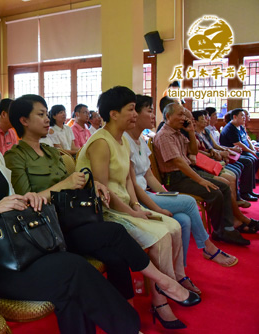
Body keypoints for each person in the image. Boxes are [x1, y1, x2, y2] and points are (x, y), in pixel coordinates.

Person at [0, 83, 142, 334]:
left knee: (70, 282)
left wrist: (24, 198)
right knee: (73, 271)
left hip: (14, 247)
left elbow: (8, 202)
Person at [4, 94, 200, 328]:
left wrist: (90, 182)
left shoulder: (53, 153)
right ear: (23, 121)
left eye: (47, 114)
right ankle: (164, 283)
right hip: (48, 230)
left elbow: (76, 184)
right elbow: (28, 202)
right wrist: (65, 185)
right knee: (115, 232)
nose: (48, 119)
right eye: (41, 114)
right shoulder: (14, 157)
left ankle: (128, 310)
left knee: (115, 256)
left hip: (73, 219)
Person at [75, 86, 200, 328]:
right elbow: (102, 189)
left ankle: (171, 282)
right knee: (162, 236)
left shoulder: (121, 140)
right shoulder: (101, 142)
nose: (135, 114)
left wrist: (135, 204)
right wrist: (132, 212)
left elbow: (128, 181)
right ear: (113, 113)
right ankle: (160, 298)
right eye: (131, 109)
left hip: (124, 205)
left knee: (174, 226)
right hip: (106, 210)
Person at [125, 95, 238, 267]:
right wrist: (158, 206)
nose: (154, 116)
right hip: (140, 196)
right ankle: (209, 246)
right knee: (191, 201)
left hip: (149, 191)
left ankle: (180, 271)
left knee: (184, 219)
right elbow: (133, 184)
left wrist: (167, 196)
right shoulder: (142, 139)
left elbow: (150, 176)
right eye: (149, 111)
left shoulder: (140, 140)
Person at [153, 103, 250, 246]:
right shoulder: (165, 136)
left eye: (185, 115)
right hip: (176, 178)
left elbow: (193, 151)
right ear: (168, 116)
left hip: (185, 173)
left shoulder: (178, 133)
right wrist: (200, 180)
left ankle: (227, 228)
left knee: (223, 186)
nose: (184, 118)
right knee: (214, 192)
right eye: (180, 115)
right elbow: (179, 163)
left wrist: (191, 132)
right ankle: (221, 231)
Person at [219, 108, 259, 197]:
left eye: (244, 115)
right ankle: (244, 192)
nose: (244, 118)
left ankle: (249, 189)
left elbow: (246, 139)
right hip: (232, 153)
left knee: (256, 157)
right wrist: (252, 152)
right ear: (235, 117)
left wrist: (254, 149)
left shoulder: (240, 126)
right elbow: (238, 144)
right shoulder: (230, 128)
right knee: (249, 160)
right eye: (242, 116)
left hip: (241, 151)